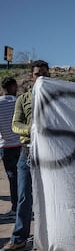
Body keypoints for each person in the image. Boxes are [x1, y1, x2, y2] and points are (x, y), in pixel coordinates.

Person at [1, 60, 50, 251]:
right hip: (27, 153)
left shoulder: (59, 97)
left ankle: (53, 236)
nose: (42, 77)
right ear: (32, 77)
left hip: (52, 154)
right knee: (23, 197)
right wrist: (33, 130)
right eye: (38, 74)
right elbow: (15, 124)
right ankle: (19, 239)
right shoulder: (23, 99)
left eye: (45, 73)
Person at [0, 78, 21, 220]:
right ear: (13, 87)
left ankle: (15, 208)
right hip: (21, 145)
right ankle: (23, 207)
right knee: (25, 179)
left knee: (12, 178)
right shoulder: (19, 102)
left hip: (6, 146)